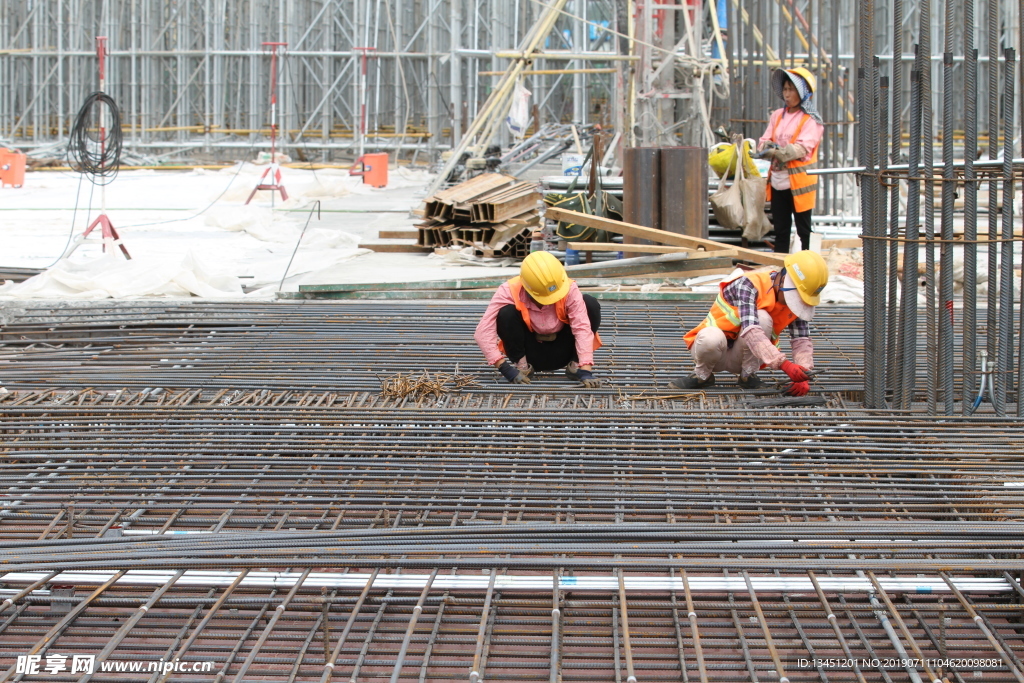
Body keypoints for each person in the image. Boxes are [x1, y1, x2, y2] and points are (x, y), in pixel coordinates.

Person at [669, 250, 828, 395]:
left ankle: (748, 376)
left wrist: (803, 374)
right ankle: (702, 376)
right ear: (784, 281)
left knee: (762, 317)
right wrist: (784, 365)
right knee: (715, 335)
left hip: (748, 357)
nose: (793, 304)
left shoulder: (797, 301)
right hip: (714, 352)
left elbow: (801, 341)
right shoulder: (749, 284)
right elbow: (751, 331)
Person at [474, 251, 602, 387]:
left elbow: (581, 327)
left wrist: (586, 369)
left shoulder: (568, 287)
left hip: (564, 349)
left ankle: (576, 367)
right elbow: (483, 332)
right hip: (530, 352)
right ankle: (523, 369)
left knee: (590, 304)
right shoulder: (509, 290)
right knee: (506, 313)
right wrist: (505, 368)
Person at [757, 67, 825, 253]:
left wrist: (776, 151)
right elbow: (763, 142)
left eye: (791, 89)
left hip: (799, 183)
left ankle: (808, 268)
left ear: (803, 92)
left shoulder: (811, 120)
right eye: (785, 89)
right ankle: (780, 271)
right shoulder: (777, 115)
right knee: (781, 230)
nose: (787, 94)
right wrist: (767, 148)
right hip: (778, 181)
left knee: (804, 231)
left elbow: (801, 148)